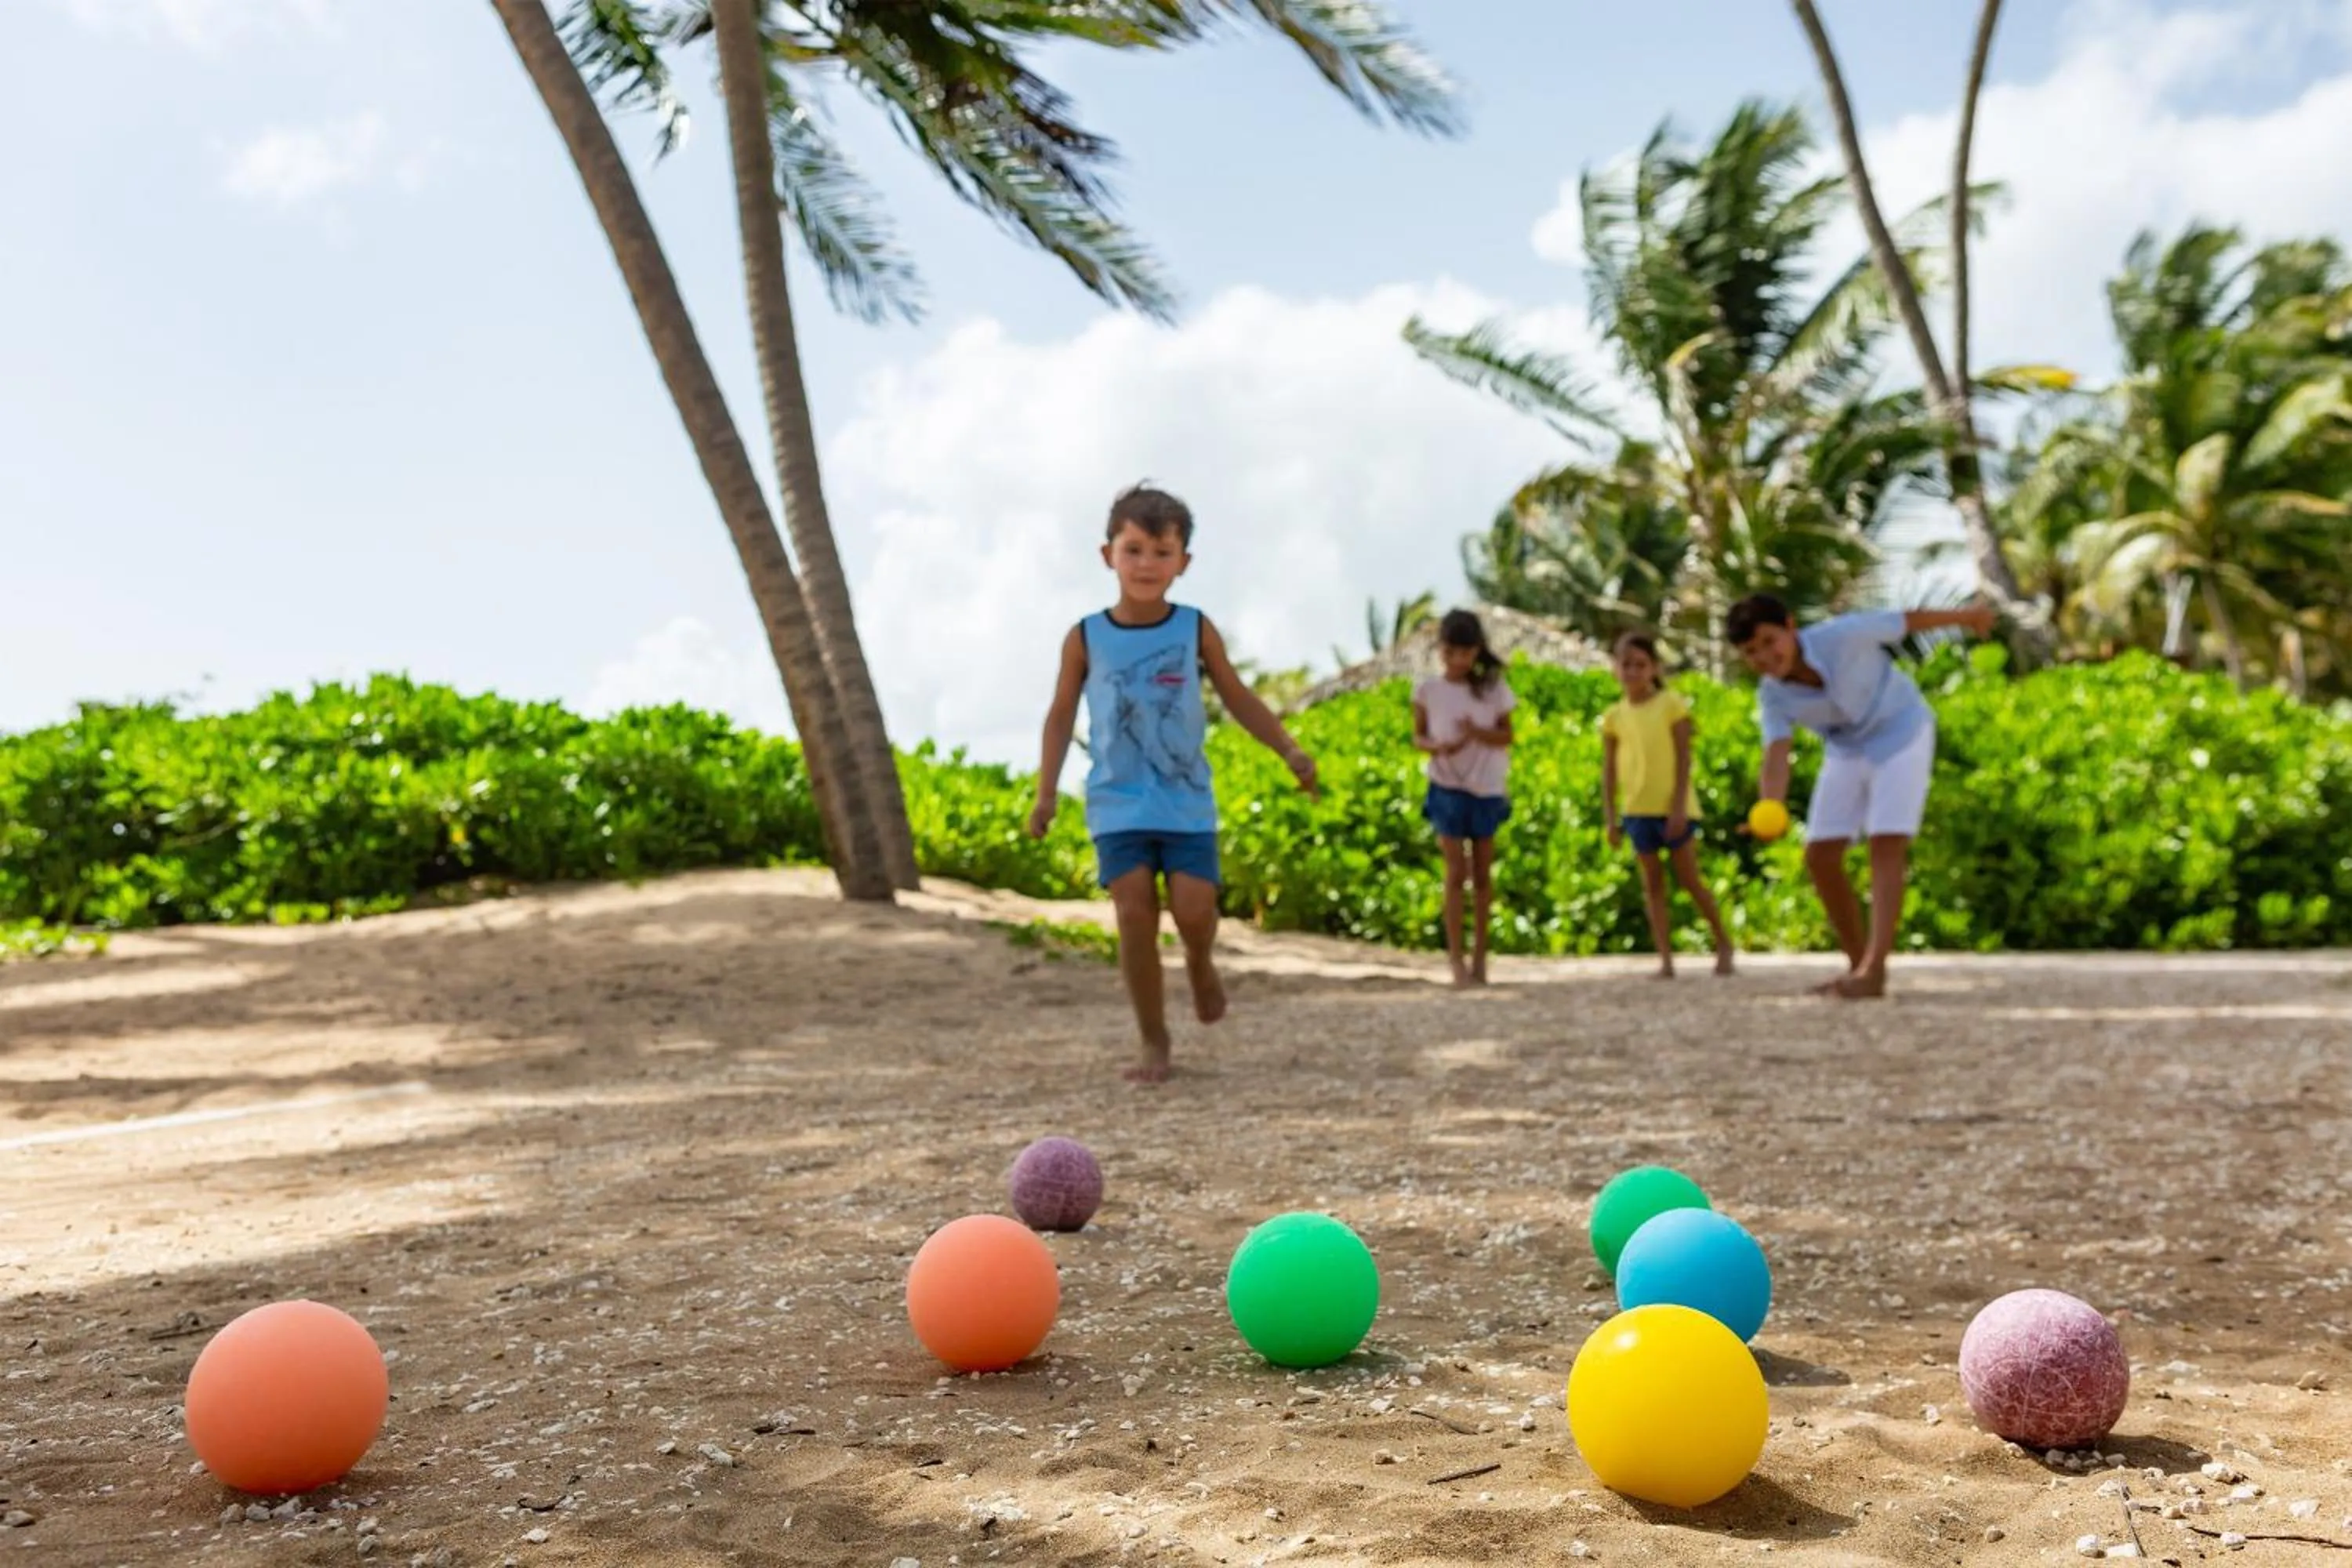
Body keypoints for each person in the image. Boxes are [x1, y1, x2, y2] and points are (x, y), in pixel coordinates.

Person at [1029, 482, 1319, 1082]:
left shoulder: (1193, 629)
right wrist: (1045, 793)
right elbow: (1060, 715)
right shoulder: (1085, 637)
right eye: (1133, 550)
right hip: (1117, 802)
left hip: (1185, 801)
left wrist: (1288, 749)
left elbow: (1237, 697)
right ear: (1107, 554)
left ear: (1183, 563)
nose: (1146, 565)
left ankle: (1201, 961)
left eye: (1162, 553)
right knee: (1134, 913)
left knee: (1193, 910)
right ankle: (1153, 1039)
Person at [1726, 593, 1997, 999]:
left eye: (1769, 640)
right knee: (1819, 856)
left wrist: (1968, 617)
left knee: (1885, 844)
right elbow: (1776, 754)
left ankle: (1875, 967)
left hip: (1902, 729)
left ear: (1790, 625)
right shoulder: (1772, 695)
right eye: (1752, 652)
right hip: (1847, 748)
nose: (1765, 656)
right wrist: (1771, 805)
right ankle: (1860, 967)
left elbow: (1906, 620)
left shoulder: (1843, 635)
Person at [1600, 631, 1735, 979]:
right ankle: (1665, 959)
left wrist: (1678, 807)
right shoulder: (1614, 717)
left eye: (1640, 665)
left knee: (1690, 879)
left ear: (1654, 668)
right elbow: (1609, 772)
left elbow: (1684, 758)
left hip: (1674, 809)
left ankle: (1723, 943)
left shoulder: (1672, 705)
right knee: (1653, 885)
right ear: (1616, 668)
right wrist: (1611, 818)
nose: (1632, 671)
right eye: (1625, 664)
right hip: (1636, 808)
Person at [1412, 609, 1515, 988]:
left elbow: (1507, 736)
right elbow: (1418, 736)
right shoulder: (1427, 690)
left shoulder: (1494, 689)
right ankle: (1455, 959)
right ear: (1441, 650)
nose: (1458, 661)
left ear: (1477, 652)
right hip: (1446, 786)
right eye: (1451, 653)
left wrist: (1476, 734)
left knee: (1483, 875)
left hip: (1487, 787)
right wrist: (1439, 747)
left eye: (1466, 654)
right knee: (1455, 872)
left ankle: (1480, 957)